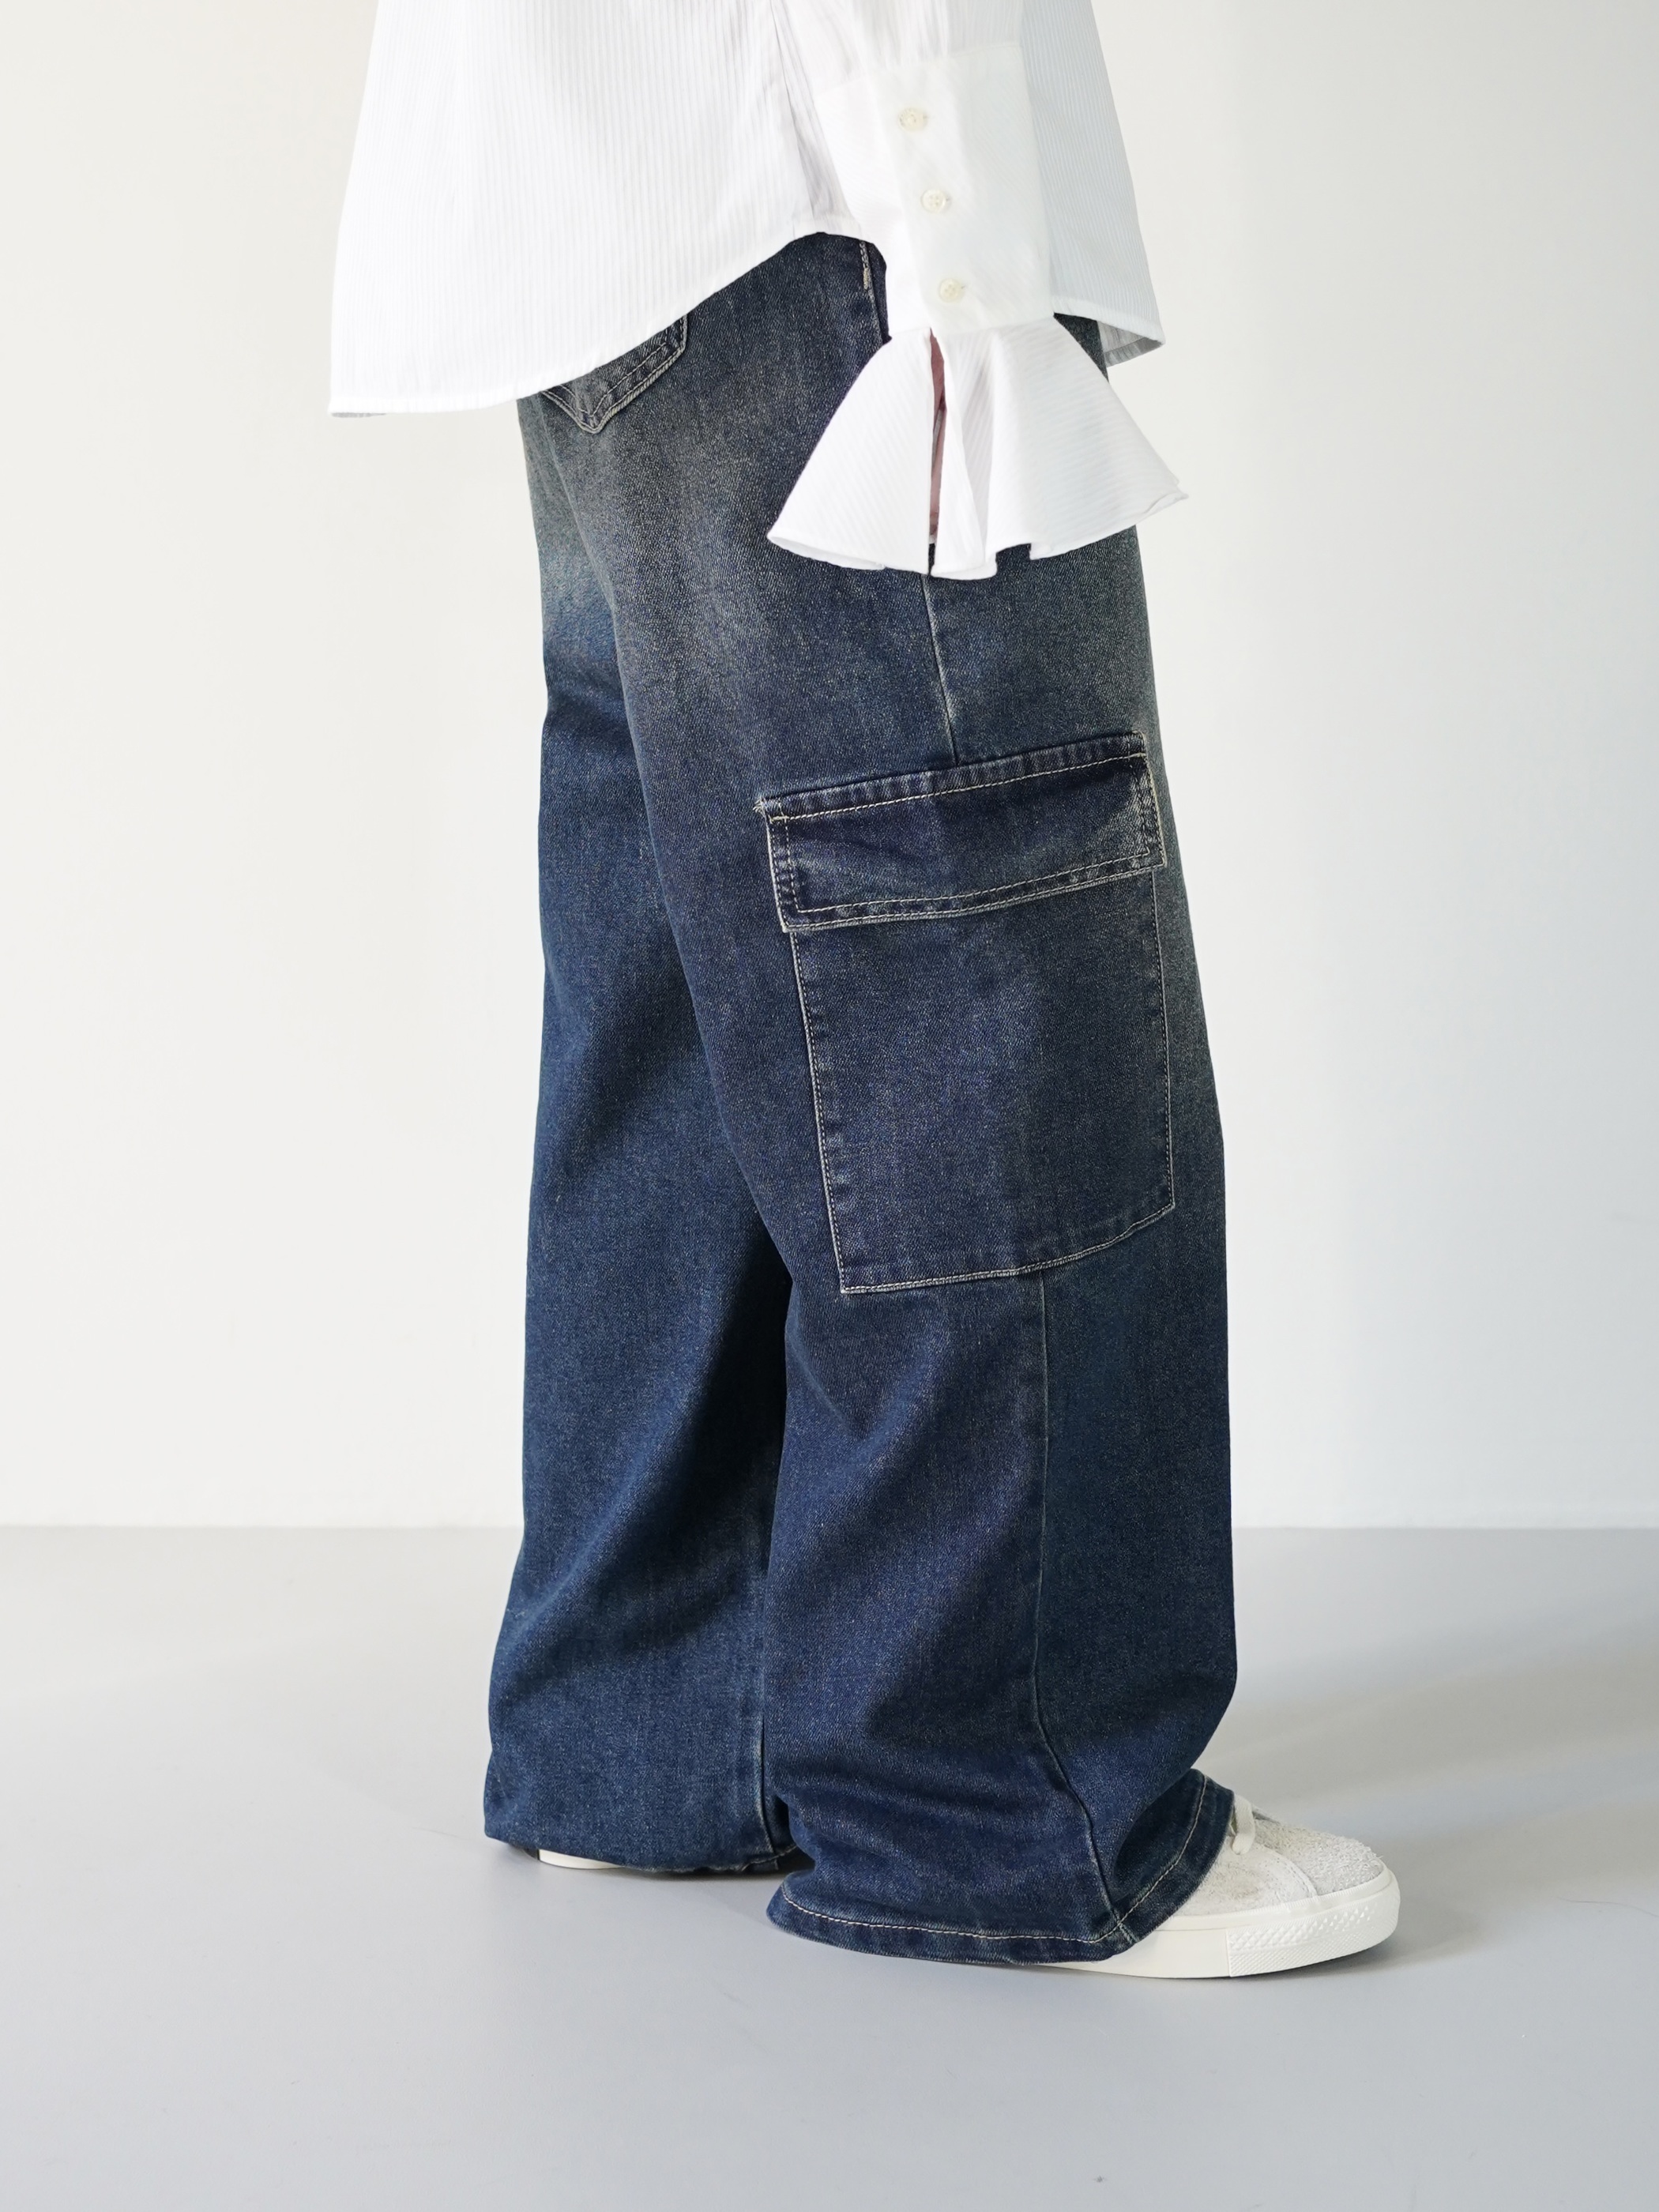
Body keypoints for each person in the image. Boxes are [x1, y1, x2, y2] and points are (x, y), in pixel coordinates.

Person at [332, 0, 1398, 1977]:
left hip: (628, 205)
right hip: (842, 191)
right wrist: (948, 215)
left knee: (697, 969)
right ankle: (1000, 1788)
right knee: (971, 927)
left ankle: (668, 1729)